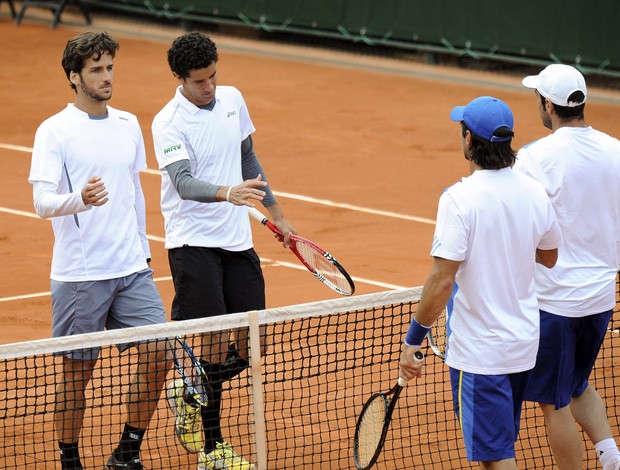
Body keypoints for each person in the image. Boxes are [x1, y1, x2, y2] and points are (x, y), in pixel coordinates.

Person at [151, 32, 296, 470]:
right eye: (199, 81)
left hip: (237, 240)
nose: (209, 87)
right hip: (192, 242)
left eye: (213, 76)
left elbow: (249, 159)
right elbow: (182, 182)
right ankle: (212, 449)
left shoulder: (232, 99)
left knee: (255, 345)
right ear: (179, 78)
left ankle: (190, 389)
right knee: (213, 343)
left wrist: (278, 215)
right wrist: (226, 192)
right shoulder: (168, 121)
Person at [27, 32, 170, 470]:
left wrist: (143, 252)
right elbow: (41, 203)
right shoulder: (54, 131)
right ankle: (70, 461)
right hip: (80, 277)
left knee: (160, 354)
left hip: (131, 269)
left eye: (109, 67)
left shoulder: (128, 124)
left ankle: (127, 451)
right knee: (77, 375)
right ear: (74, 76)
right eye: (96, 69)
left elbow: (132, 195)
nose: (107, 77)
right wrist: (80, 199)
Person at [399, 96, 562, 469]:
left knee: (495, 459)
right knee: (501, 447)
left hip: (481, 356)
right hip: (522, 346)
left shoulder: (459, 199)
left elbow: (442, 281)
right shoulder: (534, 191)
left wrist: (412, 340)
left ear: (469, 140)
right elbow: (549, 256)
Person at [514, 64, 620, 470]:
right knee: (576, 384)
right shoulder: (614, 149)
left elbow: (521, 228)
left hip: (555, 304)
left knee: (552, 402)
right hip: (600, 299)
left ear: (548, 105)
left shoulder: (535, 158)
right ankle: (611, 457)